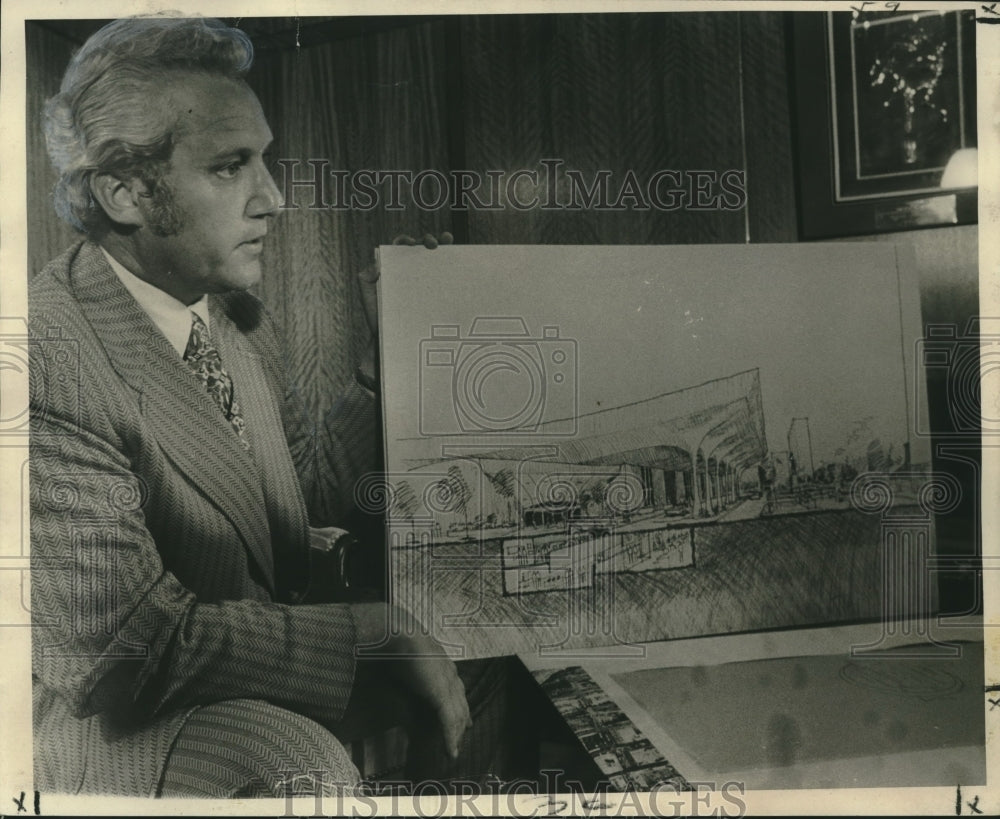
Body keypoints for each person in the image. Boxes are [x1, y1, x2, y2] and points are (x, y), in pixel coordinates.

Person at [29, 15, 482, 798]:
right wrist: (373, 631)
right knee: (294, 765)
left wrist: (383, 364)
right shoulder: (45, 358)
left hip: (234, 668)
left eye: (264, 161)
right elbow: (123, 652)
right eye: (231, 166)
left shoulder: (229, 314)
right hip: (108, 721)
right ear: (125, 191)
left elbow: (297, 498)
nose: (273, 198)